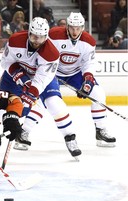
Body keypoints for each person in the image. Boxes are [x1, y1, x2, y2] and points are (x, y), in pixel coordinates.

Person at [0, 17, 82, 159]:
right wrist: (22, 78)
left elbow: (41, 80)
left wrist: (31, 94)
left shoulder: (51, 53)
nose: (37, 40)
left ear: (46, 36)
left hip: (41, 79)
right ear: (29, 33)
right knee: (1, 107)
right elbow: (6, 62)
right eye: (34, 36)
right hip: (14, 75)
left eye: (41, 37)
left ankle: (70, 137)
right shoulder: (15, 41)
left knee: (54, 103)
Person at [49, 12, 116, 147]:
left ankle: (100, 131)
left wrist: (88, 81)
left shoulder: (89, 41)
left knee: (98, 93)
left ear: (82, 27)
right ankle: (23, 132)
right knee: (48, 100)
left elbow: (88, 63)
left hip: (75, 74)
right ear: (67, 26)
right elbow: (44, 52)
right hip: (52, 72)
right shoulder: (54, 35)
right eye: (72, 27)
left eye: (78, 28)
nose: (75, 31)